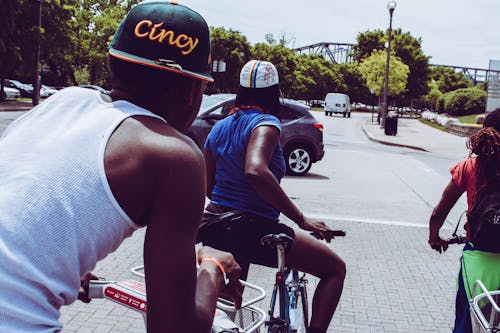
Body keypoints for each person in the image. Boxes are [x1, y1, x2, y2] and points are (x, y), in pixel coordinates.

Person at [0, 2, 242, 332]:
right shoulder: (174, 154)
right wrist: (214, 267)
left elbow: (25, 195)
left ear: (114, 63)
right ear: (190, 91)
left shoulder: (63, 102)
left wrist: (65, 265)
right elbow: (174, 328)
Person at [197, 60, 346, 333]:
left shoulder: (219, 127)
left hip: (215, 224)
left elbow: (208, 186)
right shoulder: (266, 123)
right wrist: (301, 219)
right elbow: (255, 170)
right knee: (335, 269)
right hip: (253, 228)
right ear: (274, 92)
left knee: (226, 310)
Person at [428, 109, 500, 333]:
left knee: (468, 321)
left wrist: (434, 236)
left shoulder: (469, 167)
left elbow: (440, 210)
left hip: (477, 260)